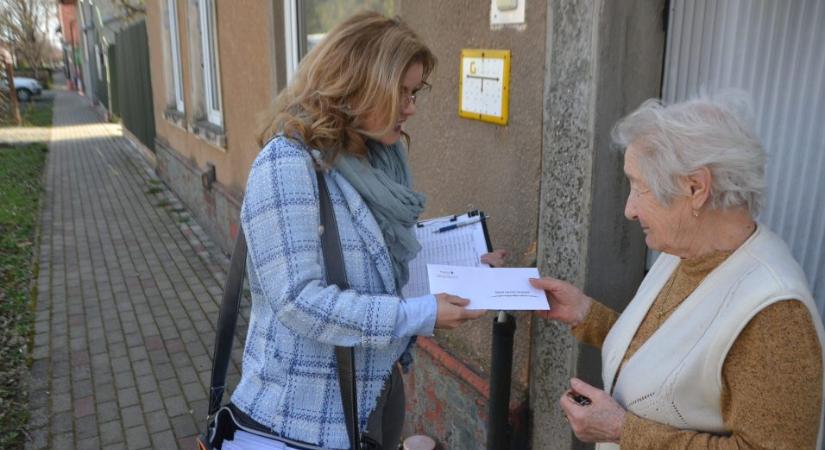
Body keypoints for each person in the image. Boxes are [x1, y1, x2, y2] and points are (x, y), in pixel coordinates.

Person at [230, 12, 486, 449]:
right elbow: (298, 302)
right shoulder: (287, 165)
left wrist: (462, 268)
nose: (411, 107)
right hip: (301, 421)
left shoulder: (370, 159)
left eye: (413, 92)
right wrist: (421, 314)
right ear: (356, 86)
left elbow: (376, 257)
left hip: (375, 395)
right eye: (400, 92)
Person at [530, 92, 825, 449]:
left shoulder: (776, 317)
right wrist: (586, 314)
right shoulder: (684, 251)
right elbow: (672, 363)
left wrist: (621, 430)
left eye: (640, 187)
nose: (629, 209)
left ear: (696, 188)